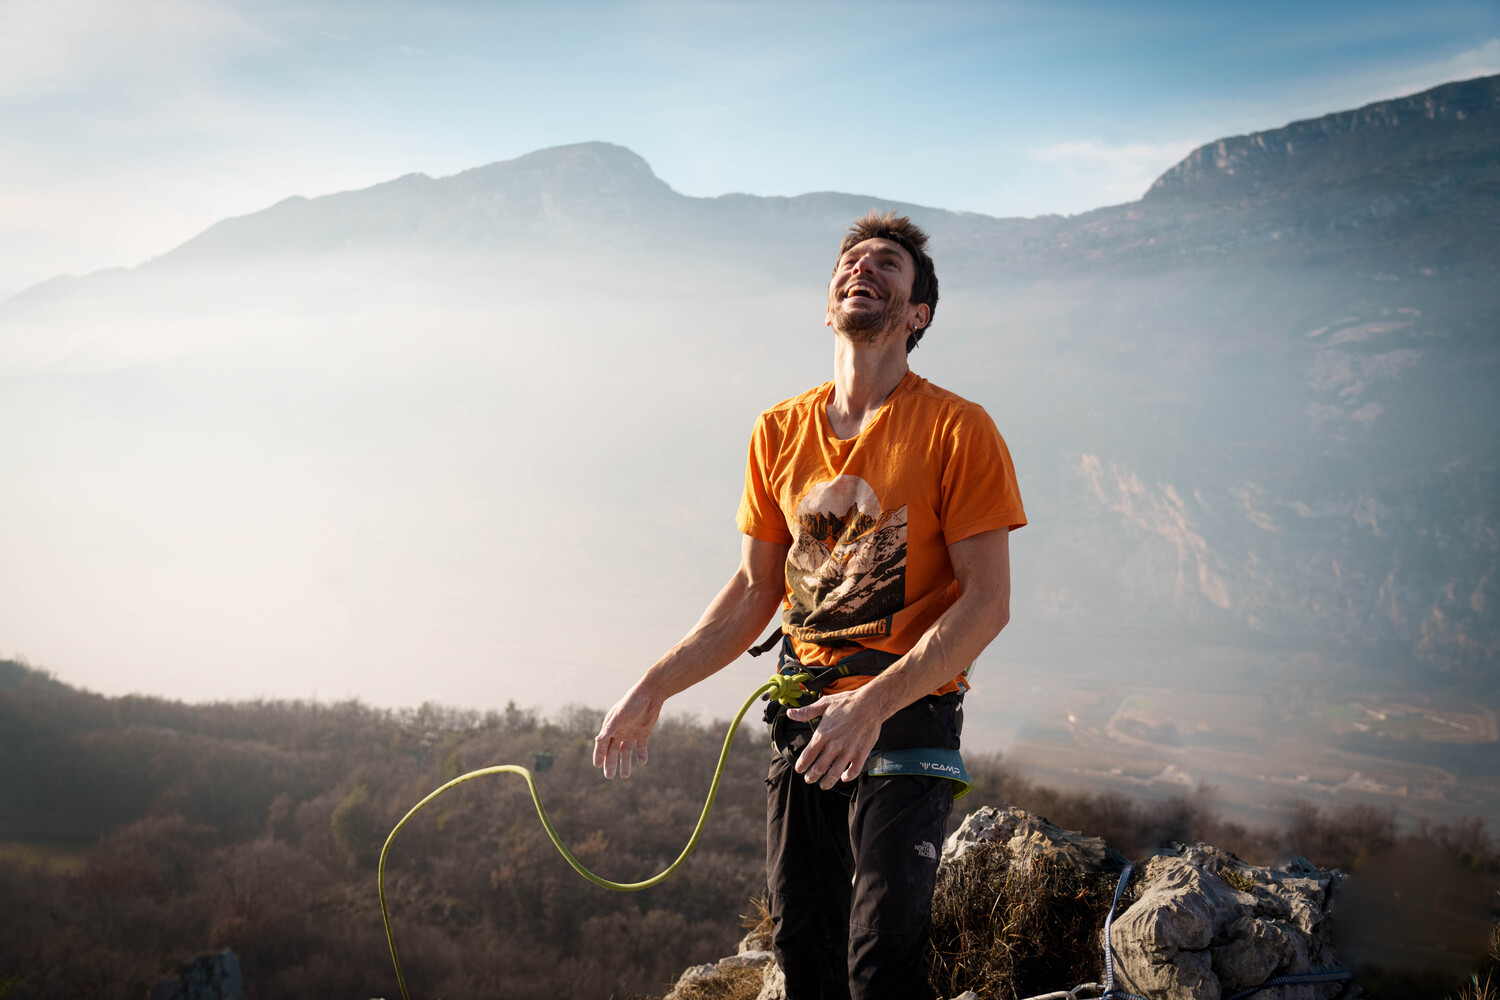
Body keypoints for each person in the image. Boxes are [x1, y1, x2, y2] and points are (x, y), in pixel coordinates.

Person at [593, 210, 1026, 1000]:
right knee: (805, 944)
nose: (864, 268)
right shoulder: (778, 431)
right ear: (829, 306)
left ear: (918, 314)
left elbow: (988, 603)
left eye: (888, 265)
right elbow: (755, 590)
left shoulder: (958, 429)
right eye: (851, 262)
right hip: (803, 712)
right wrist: (653, 686)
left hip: (908, 707)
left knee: (881, 958)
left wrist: (872, 704)